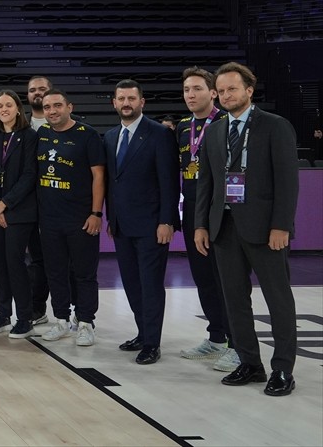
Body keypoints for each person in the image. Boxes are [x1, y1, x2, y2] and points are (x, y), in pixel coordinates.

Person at [194, 62, 299, 397]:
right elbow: (206, 184)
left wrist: (281, 225)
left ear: (249, 90)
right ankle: (250, 363)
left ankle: (282, 369)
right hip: (224, 228)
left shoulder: (274, 126)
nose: (226, 95)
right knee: (235, 301)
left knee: (278, 300)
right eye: (221, 91)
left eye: (232, 89)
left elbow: (287, 181)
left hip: (266, 230)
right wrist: (200, 224)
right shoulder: (212, 131)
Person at [105, 80, 180, 365]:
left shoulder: (160, 134)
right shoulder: (111, 136)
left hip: (151, 226)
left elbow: (169, 182)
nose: (126, 103)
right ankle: (142, 332)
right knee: (132, 285)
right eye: (121, 98)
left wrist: (167, 221)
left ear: (142, 102)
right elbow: (114, 184)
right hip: (122, 226)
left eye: (132, 98)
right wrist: (112, 218)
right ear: (114, 103)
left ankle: (152, 343)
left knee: (150, 285)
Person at [175, 67, 236, 371]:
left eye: (197, 88)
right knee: (203, 279)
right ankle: (216, 337)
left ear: (213, 93)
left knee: (228, 280)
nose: (191, 95)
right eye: (187, 89)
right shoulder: (183, 127)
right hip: (193, 213)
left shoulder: (226, 124)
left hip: (221, 214)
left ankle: (238, 344)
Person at [35, 89, 106, 346]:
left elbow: (99, 176)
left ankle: (86, 322)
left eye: (57, 106)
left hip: (80, 217)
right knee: (55, 272)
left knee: (85, 274)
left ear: (69, 107)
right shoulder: (41, 134)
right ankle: (61, 320)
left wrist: (96, 213)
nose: (52, 111)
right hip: (49, 219)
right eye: (47, 107)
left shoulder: (87, 135)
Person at [0, 89, 39, 339]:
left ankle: (25, 317)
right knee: (1, 264)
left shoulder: (29, 136)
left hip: (20, 212)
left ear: (17, 108)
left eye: (8, 105)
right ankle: (3, 314)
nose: (3, 109)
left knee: (15, 262)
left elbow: (29, 175)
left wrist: (6, 204)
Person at [24, 75, 54, 326]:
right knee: (37, 260)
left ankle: (74, 312)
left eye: (42, 89)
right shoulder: (21, 125)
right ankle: (37, 308)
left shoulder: (63, 124)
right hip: (27, 205)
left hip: (57, 202)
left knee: (65, 260)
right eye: (33, 90)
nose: (37, 93)